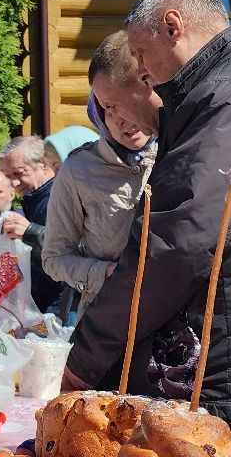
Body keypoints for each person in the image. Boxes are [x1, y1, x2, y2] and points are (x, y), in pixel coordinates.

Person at [63, 0, 231, 457]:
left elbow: (178, 243)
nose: (142, 72)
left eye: (140, 55)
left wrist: (85, 360)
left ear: (172, 26)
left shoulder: (228, 93)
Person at [42, 32, 159, 309]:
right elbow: (54, 258)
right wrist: (102, 274)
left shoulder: (177, 152)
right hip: (108, 316)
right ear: (99, 115)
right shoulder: (78, 171)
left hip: (174, 321)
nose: (125, 120)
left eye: (130, 104)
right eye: (111, 110)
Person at [0, 136, 63, 312]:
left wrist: (30, 231)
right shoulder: (33, 200)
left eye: (19, 173)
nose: (14, 183)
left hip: (61, 309)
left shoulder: (60, 197)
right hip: (39, 308)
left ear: (43, 164)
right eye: (9, 176)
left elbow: (75, 251)